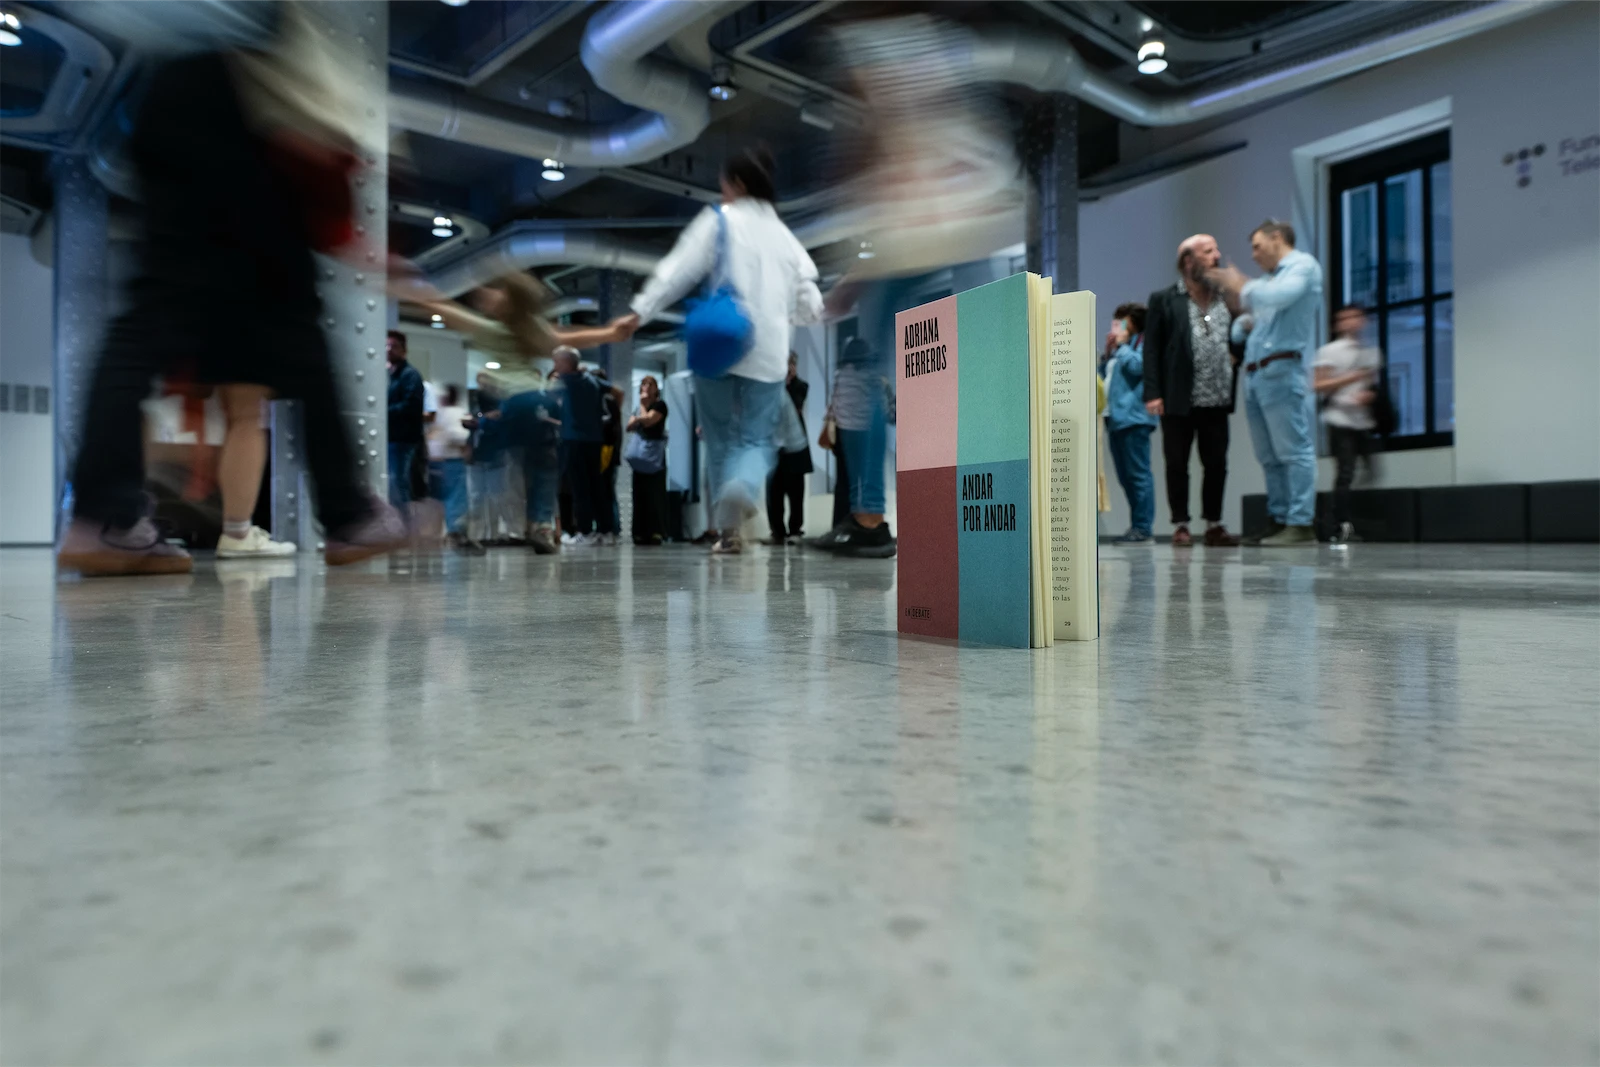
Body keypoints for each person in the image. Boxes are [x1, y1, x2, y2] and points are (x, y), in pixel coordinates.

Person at [57, 3, 405, 577]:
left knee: (151, 315)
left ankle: (101, 518)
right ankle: (344, 514)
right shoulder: (269, 52)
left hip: (166, 89)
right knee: (293, 323)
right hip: (249, 90)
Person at [624, 147, 823, 555]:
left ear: (738, 183)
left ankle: (728, 531)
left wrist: (639, 312)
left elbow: (677, 271)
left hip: (717, 346)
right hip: (767, 354)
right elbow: (810, 304)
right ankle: (742, 486)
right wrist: (790, 314)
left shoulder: (719, 219)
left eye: (724, 185)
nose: (722, 192)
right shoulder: (787, 239)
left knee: (718, 441)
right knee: (755, 440)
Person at [407, 273, 632, 553]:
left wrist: (413, 290)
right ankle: (539, 525)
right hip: (535, 402)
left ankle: (462, 526)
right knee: (543, 466)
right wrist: (611, 332)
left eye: (495, 291)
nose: (485, 295)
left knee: (488, 463)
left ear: (511, 301)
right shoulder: (531, 330)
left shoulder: (494, 329)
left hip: (512, 403)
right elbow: (569, 337)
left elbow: (448, 311)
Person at [1208, 220, 1326, 547]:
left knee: (1293, 451)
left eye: (1257, 246)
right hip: (1257, 374)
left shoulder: (1302, 267)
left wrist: (1241, 285)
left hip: (1281, 371)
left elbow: (1279, 296)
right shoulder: (1269, 281)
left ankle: (1300, 522)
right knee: (1269, 456)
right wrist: (1244, 322)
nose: (1253, 254)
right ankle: (1279, 518)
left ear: (1277, 238)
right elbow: (1257, 318)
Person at [1142, 234, 1244, 548]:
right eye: (1208, 251)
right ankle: (1181, 525)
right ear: (1188, 260)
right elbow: (1152, 348)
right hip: (1178, 396)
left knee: (1216, 464)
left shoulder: (1225, 296)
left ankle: (1213, 524)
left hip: (1217, 396)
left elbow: (1242, 330)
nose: (1217, 255)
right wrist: (1153, 392)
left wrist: (1237, 354)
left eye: (1216, 249)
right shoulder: (1164, 299)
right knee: (1177, 463)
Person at [810, 337, 895, 557]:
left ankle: (864, 526)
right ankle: (865, 526)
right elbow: (888, 410)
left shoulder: (842, 375)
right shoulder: (875, 377)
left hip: (846, 429)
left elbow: (836, 404)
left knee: (848, 483)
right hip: (864, 429)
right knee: (866, 478)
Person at [1314, 304, 1382, 547]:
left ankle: (1347, 517)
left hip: (1362, 421)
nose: (1351, 322)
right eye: (1345, 318)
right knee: (1345, 472)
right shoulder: (1329, 351)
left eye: (1356, 317)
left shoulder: (1371, 352)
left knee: (1371, 471)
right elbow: (1318, 385)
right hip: (1339, 418)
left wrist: (1368, 395)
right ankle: (1339, 525)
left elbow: (1372, 384)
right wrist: (1351, 378)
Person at [1102, 303, 1157, 544]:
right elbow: (1104, 377)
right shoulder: (1120, 349)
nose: (1117, 326)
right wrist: (1108, 354)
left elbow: (1138, 367)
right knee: (1126, 477)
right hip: (1115, 418)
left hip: (1134, 418)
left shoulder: (1143, 342)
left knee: (1138, 475)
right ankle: (1137, 526)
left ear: (1133, 322)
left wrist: (1122, 346)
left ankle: (1143, 528)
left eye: (1121, 321)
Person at [426, 383, 481, 554]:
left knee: (439, 499)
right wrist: (466, 449)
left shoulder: (439, 414)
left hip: (435, 460)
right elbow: (458, 435)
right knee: (456, 498)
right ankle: (456, 531)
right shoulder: (457, 413)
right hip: (452, 460)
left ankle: (436, 534)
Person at [767, 353, 812, 545]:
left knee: (796, 492)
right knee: (774, 491)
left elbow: (796, 406)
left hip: (795, 448)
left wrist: (787, 384)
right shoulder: (769, 387)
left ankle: (795, 529)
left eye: (791, 364)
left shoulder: (800, 386)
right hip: (774, 446)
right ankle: (777, 531)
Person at [626, 375, 670, 545]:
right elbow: (630, 426)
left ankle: (656, 531)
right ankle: (639, 532)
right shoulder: (637, 408)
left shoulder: (660, 405)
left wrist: (643, 409)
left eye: (650, 384)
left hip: (654, 456)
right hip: (640, 456)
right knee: (639, 493)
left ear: (656, 388)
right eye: (644, 384)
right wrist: (640, 416)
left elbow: (650, 421)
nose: (647, 387)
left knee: (655, 494)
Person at [386, 331, 426, 512]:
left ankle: (404, 523)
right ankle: (402, 521)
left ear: (404, 350)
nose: (389, 350)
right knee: (396, 481)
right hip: (394, 437)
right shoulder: (392, 375)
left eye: (394, 346)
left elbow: (411, 406)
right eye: (387, 346)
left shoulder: (410, 375)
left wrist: (385, 412)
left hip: (403, 438)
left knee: (397, 482)